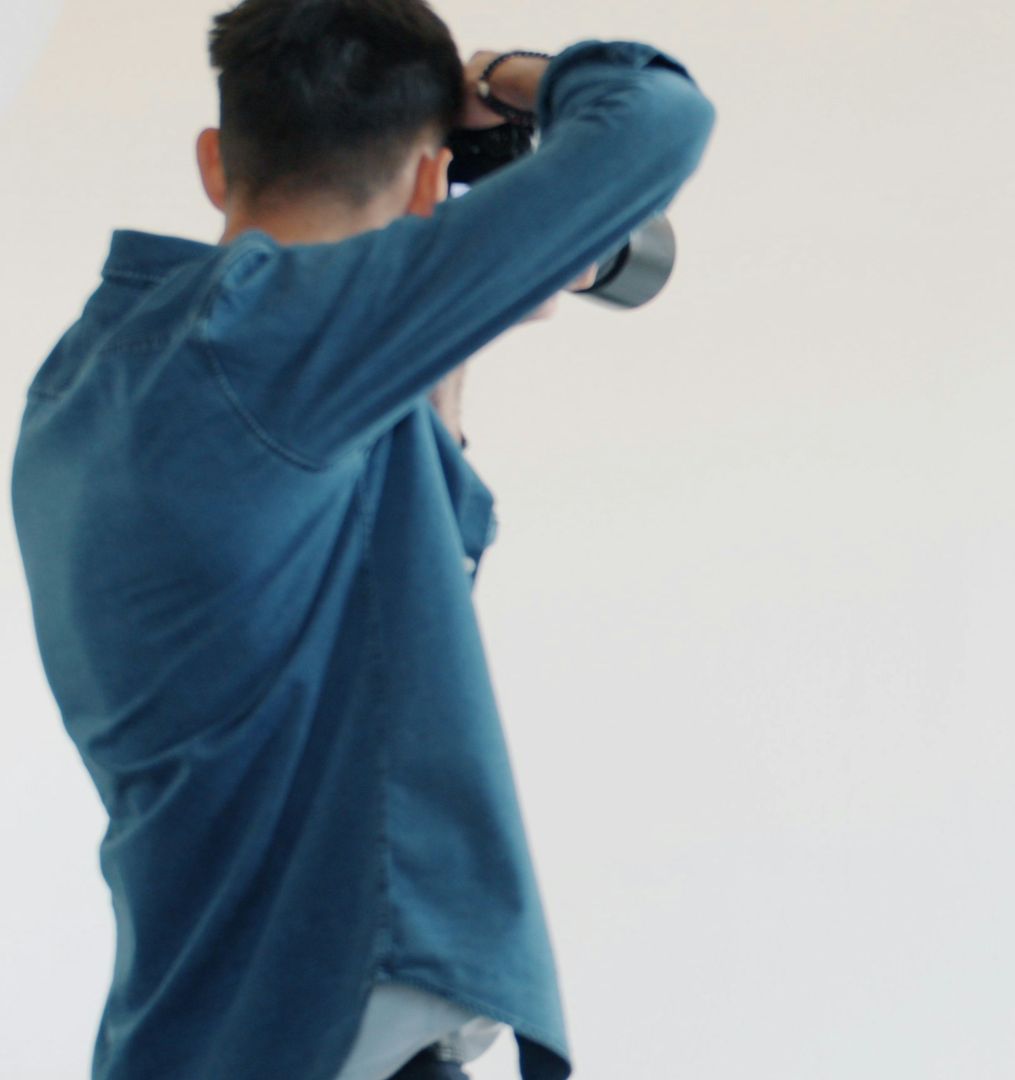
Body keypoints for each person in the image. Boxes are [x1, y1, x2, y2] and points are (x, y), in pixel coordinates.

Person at [9, 1, 714, 1077]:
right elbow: (656, 120)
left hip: (197, 1032)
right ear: (434, 183)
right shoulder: (267, 347)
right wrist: (504, 74)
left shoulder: (94, 374)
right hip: (322, 1039)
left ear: (215, 162)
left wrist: (451, 317)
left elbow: (395, 597)